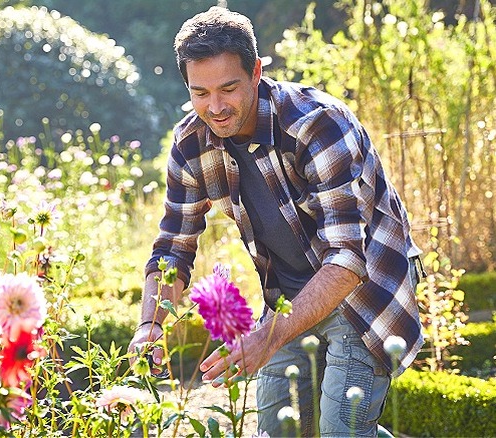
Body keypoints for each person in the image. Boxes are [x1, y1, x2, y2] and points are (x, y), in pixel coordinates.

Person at [128, 6, 424, 437]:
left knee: (342, 431)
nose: (215, 107)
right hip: (288, 297)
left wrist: (265, 338)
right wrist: (150, 324)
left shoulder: (317, 124)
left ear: (256, 72)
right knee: (277, 432)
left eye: (228, 88)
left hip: (364, 286)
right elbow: (174, 245)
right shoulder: (191, 143)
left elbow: (346, 261)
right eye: (200, 93)